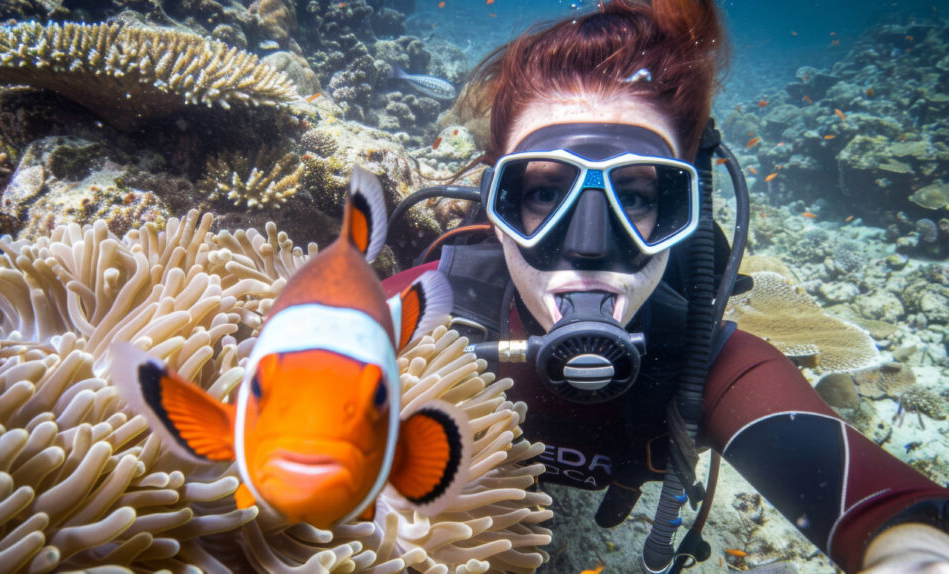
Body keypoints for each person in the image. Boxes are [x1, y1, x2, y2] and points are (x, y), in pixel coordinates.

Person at [382, 1, 949, 573]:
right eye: (544, 194)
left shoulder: (705, 362)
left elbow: (883, 508)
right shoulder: (438, 304)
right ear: (497, 204)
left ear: (682, 210)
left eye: (635, 198)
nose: (588, 246)